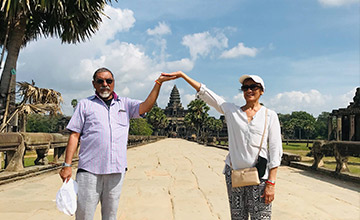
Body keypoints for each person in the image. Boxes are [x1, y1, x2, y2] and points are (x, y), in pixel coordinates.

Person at [162, 71, 283, 220]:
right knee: (238, 217)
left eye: (254, 87)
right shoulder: (232, 111)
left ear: (262, 90)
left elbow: (276, 150)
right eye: (245, 88)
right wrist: (183, 76)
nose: (249, 90)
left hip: (260, 177)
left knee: (261, 218)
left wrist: (271, 182)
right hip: (235, 174)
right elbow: (206, 93)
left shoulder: (269, 116)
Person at [59, 67, 175, 220]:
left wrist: (158, 83)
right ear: (94, 84)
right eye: (100, 81)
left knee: (111, 215)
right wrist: (67, 165)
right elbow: (74, 135)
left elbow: (146, 106)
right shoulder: (84, 104)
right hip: (89, 170)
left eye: (109, 81)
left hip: (116, 170)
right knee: (84, 215)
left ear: (114, 83)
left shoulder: (125, 104)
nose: (105, 84)